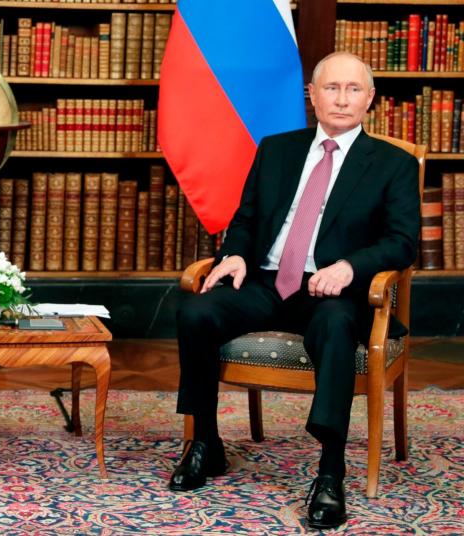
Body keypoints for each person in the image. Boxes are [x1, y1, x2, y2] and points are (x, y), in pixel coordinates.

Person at [169, 52, 420, 529]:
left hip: (333, 292)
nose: (341, 99)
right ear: (312, 95)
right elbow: (245, 220)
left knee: (337, 325)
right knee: (197, 311)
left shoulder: (393, 164)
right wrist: (236, 253)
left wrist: (350, 267)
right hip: (265, 282)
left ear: (370, 99)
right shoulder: (277, 149)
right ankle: (205, 442)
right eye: (331, 88)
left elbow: (402, 243)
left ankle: (329, 470)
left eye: (352, 89)